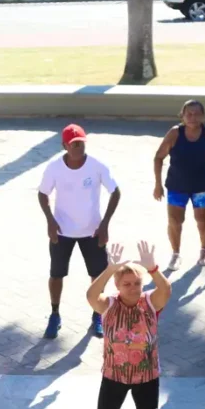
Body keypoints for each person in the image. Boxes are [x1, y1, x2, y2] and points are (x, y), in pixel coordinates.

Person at [79, 241, 171, 409]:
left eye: (136, 283)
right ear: (117, 286)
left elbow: (167, 289)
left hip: (147, 377)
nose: (132, 289)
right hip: (114, 377)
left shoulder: (150, 302)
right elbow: (90, 295)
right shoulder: (108, 304)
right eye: (126, 284)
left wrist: (153, 269)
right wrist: (110, 269)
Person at [38, 124, 121, 339]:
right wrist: (50, 220)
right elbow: (42, 194)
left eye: (81, 143)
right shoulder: (54, 168)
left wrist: (104, 224)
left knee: (97, 275)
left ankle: (97, 314)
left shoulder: (97, 166)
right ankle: (55, 314)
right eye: (74, 144)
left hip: (92, 232)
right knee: (56, 274)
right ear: (64, 145)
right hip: (62, 231)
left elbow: (115, 192)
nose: (78, 147)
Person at [152, 99, 205, 270]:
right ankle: (176, 254)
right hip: (177, 186)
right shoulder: (175, 133)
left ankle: (204, 250)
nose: (192, 117)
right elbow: (158, 157)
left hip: (202, 186)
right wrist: (158, 184)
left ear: (203, 115)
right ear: (182, 116)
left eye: (196, 114)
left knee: (203, 220)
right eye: (188, 114)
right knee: (175, 221)